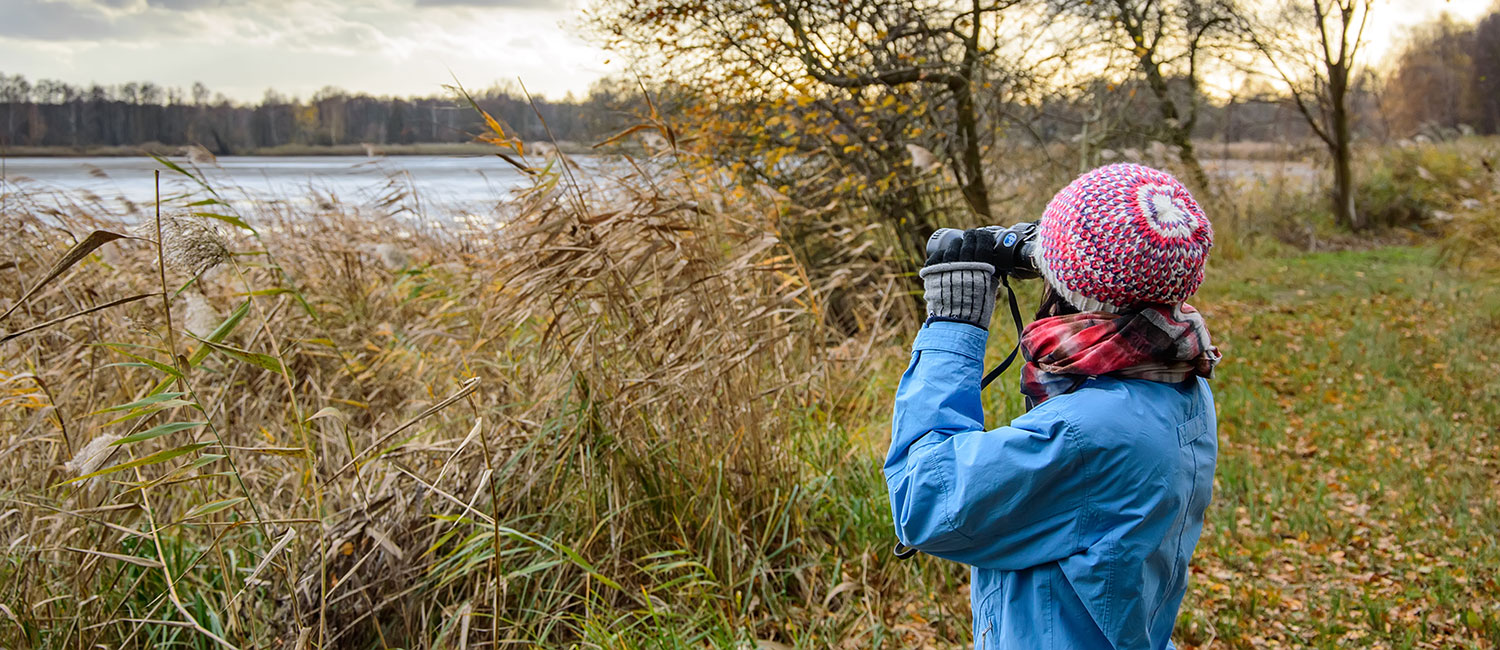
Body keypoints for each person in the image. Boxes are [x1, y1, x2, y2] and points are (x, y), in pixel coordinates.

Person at [886, 163, 1222, 649]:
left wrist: (952, 327)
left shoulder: (1088, 434)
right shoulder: (1181, 376)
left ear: (1071, 288)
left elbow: (924, 502)